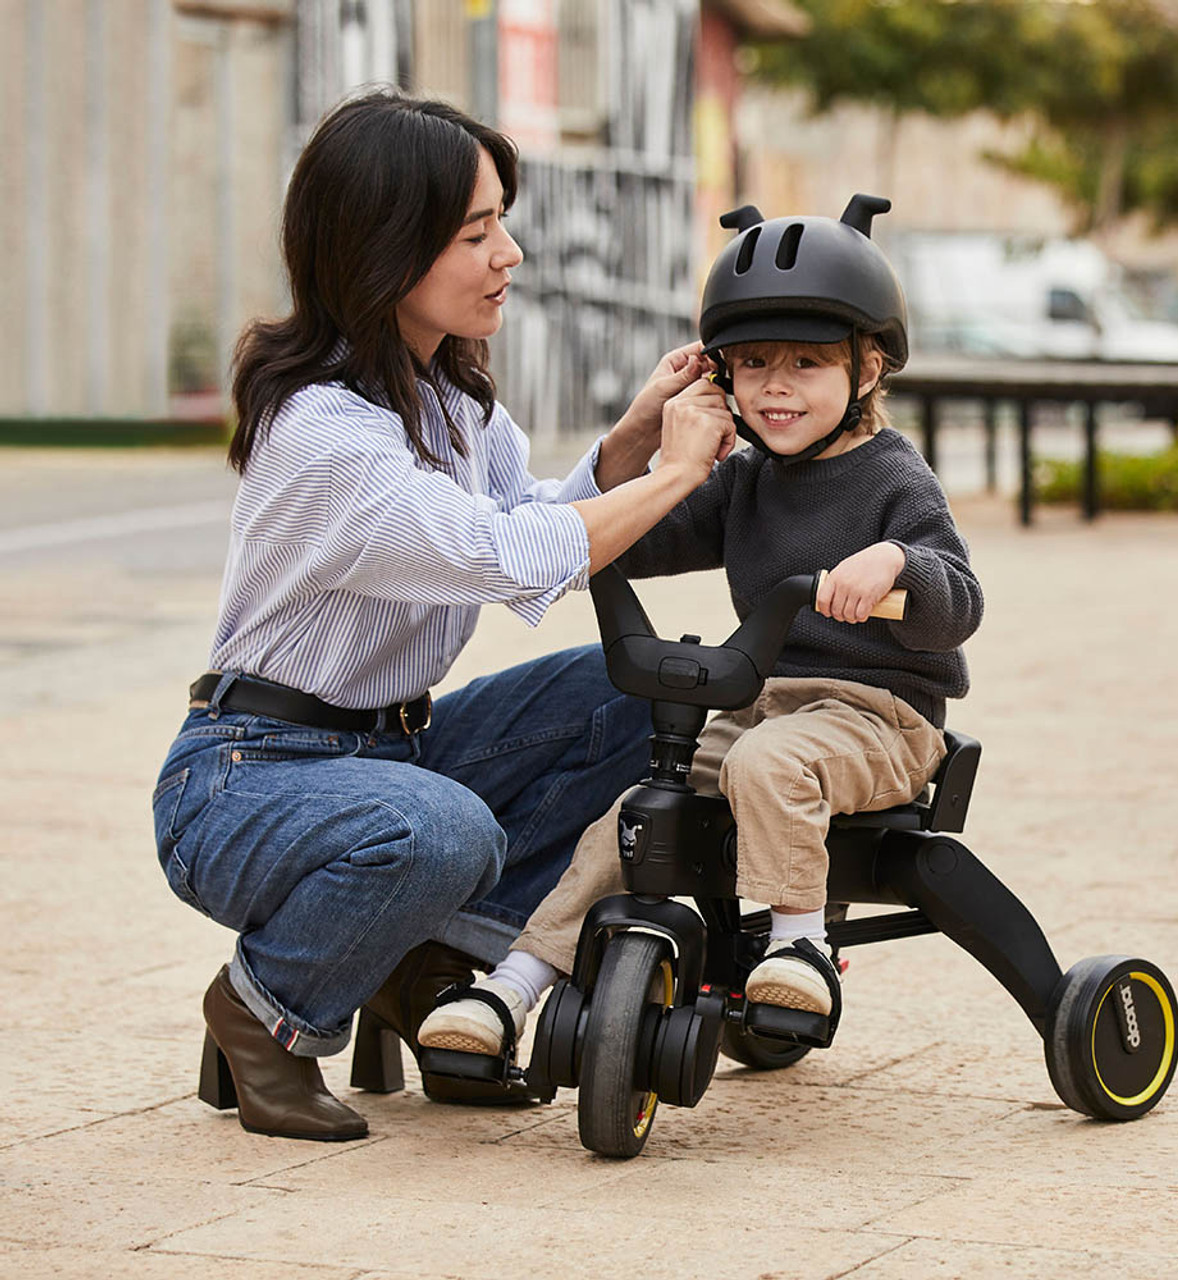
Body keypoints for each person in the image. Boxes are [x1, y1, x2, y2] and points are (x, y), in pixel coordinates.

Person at [150, 90, 736, 1143]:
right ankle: (265, 1008)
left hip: (397, 748)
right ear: (386, 245)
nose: (508, 252)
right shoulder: (326, 432)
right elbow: (500, 558)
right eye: (476, 231)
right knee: (441, 828)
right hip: (246, 780)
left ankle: (434, 960)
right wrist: (680, 472)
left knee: (633, 690)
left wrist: (633, 441)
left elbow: (533, 526)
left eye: (500, 220)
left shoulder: (451, 400)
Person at [418, 196, 984, 1059]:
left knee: (767, 762)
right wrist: (669, 469)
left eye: (806, 363)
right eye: (752, 364)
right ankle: (518, 982)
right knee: (636, 813)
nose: (776, 386)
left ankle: (800, 946)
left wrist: (899, 568)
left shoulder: (894, 481)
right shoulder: (746, 477)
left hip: (882, 721)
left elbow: (962, 600)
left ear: (868, 369)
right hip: (769, 712)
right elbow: (639, 537)